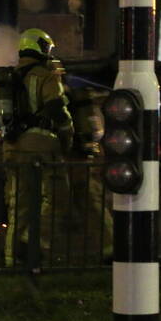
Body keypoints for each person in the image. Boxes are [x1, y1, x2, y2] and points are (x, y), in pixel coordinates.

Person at [0, 28, 73, 265]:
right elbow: (57, 108)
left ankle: (11, 259)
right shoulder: (46, 75)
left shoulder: (7, 78)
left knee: (18, 204)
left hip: (11, 147)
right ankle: (30, 242)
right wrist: (67, 136)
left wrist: (10, 131)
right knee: (57, 198)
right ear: (40, 47)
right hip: (41, 144)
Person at [66, 86, 114, 264]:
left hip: (80, 157)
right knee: (91, 201)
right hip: (87, 154)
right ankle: (107, 247)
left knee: (92, 201)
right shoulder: (79, 98)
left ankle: (112, 248)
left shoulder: (64, 96)